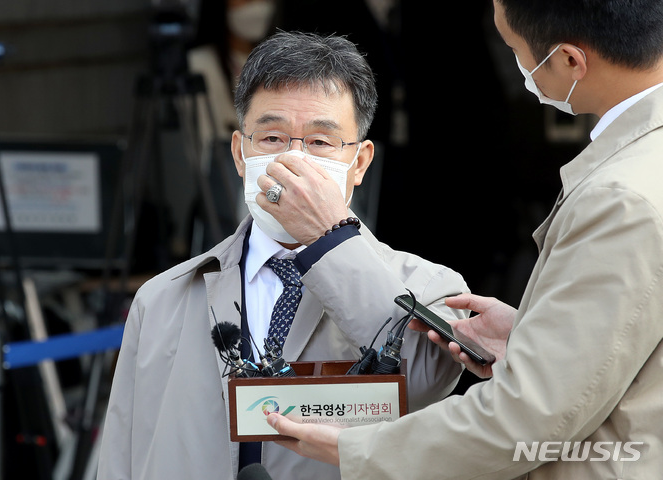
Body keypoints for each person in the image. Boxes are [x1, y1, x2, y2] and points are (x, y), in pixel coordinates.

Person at [265, 1, 663, 479]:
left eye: (516, 51)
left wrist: (359, 448)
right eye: (271, 137)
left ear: (570, 60)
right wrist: (539, 334)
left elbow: (525, 420)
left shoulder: (621, 200)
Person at [96, 31, 470, 479]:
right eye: (272, 137)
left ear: (361, 163)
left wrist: (326, 237)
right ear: (240, 152)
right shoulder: (163, 299)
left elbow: (425, 377)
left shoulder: (429, 290)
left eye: (320, 142)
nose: (294, 162)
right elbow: (121, 455)